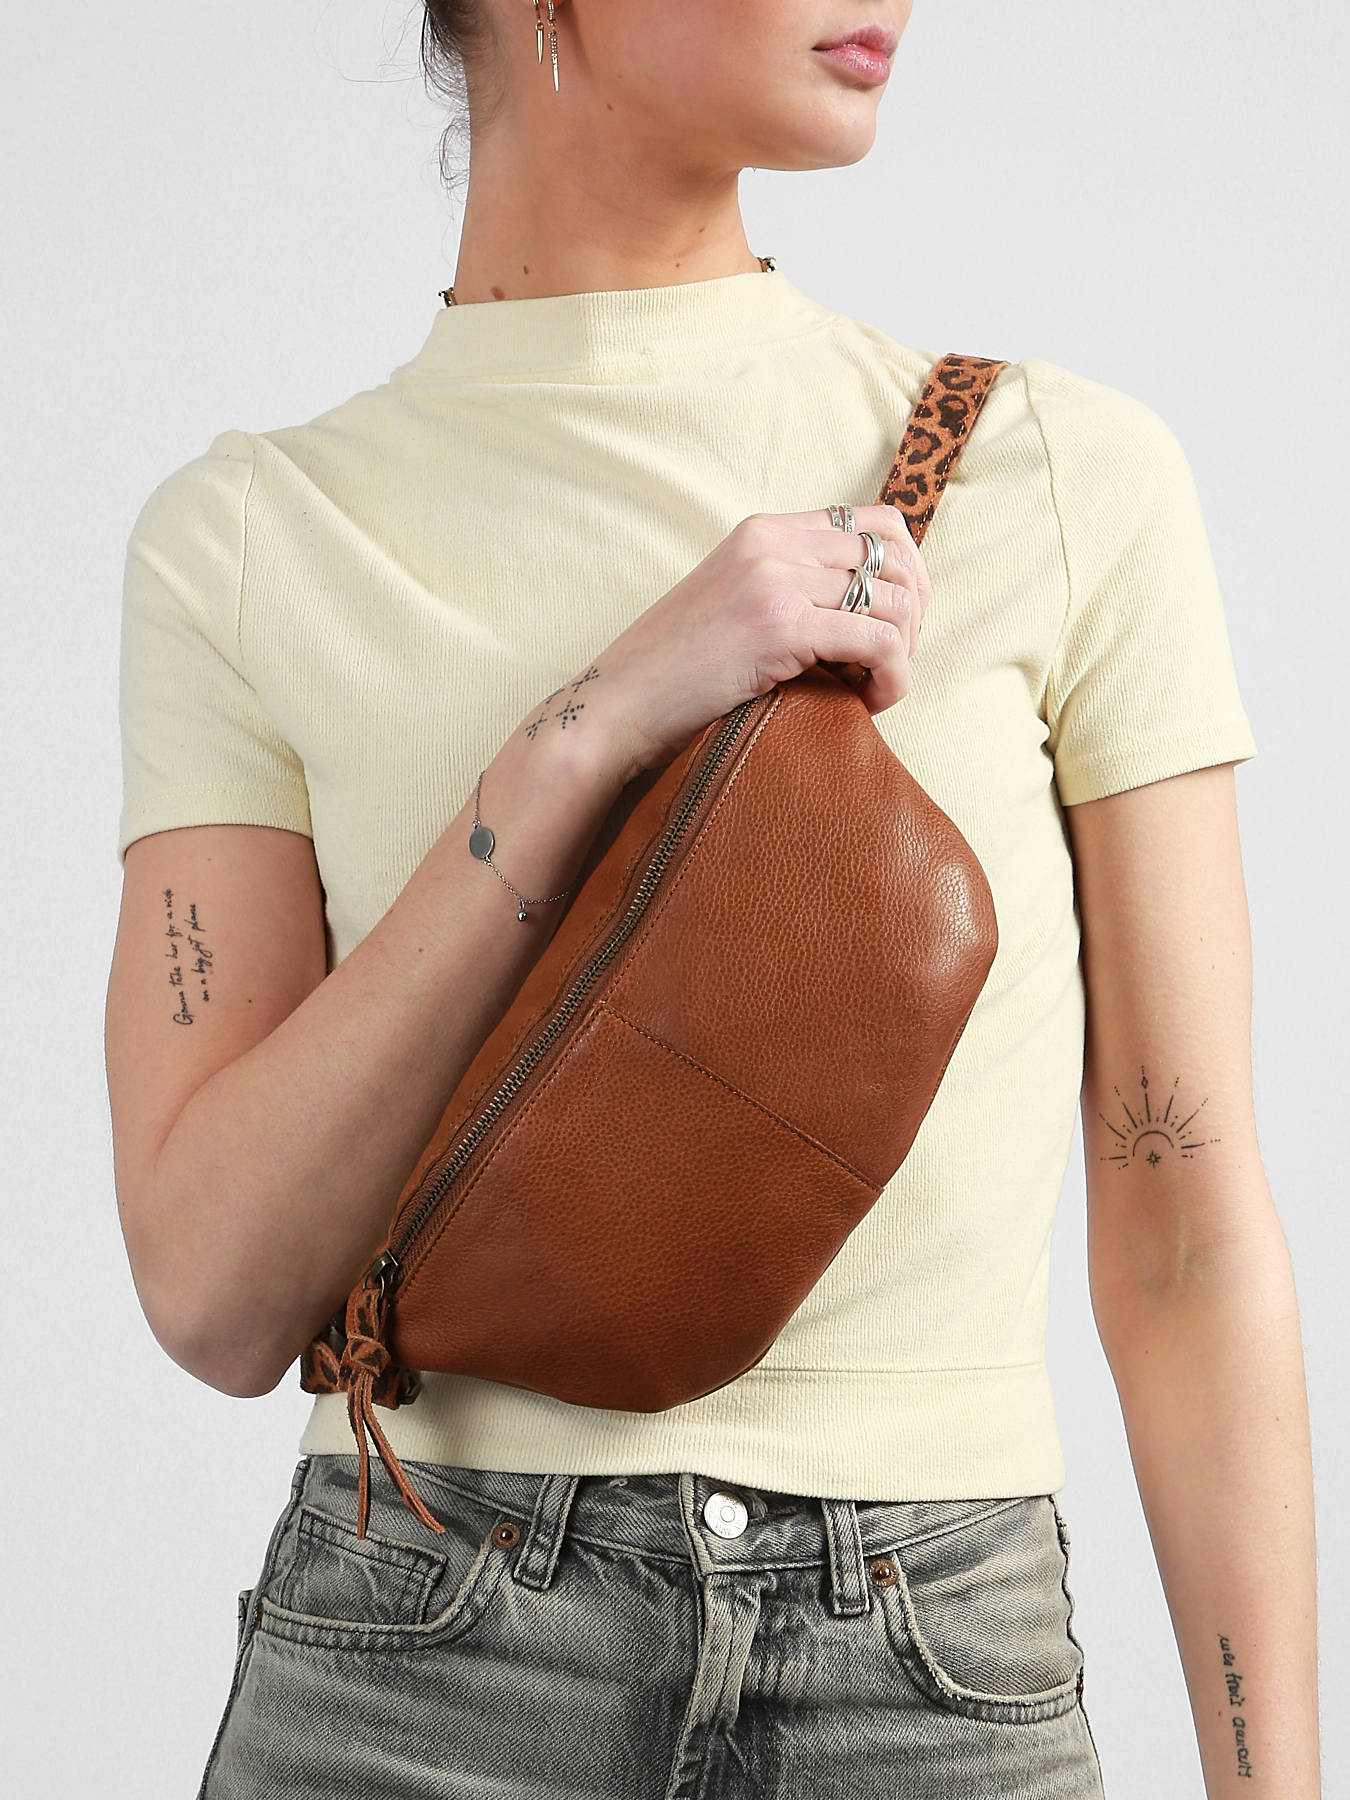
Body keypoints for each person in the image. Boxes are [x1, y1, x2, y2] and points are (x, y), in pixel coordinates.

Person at [104, 3, 1320, 1796]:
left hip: (931, 1660)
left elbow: (1184, 1233)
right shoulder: (249, 536)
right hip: (421, 1647)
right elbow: (215, 1291)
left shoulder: (1054, 472)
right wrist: (583, 732)